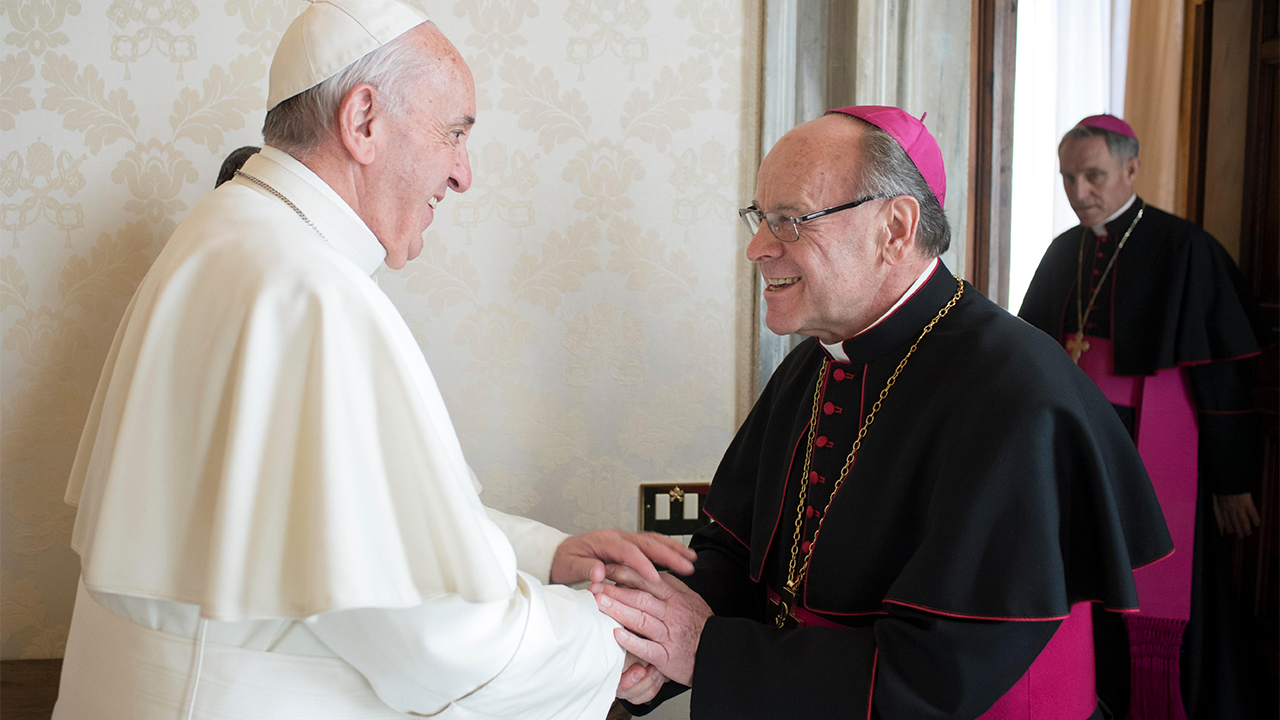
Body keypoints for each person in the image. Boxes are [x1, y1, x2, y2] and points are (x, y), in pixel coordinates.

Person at [52, 1, 685, 718]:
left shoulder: (229, 233)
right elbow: (441, 641)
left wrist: (541, 556)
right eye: (454, 134)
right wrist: (617, 635)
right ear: (362, 122)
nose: (464, 174)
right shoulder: (308, 293)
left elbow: (344, 521)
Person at [593, 106, 1174, 719]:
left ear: (895, 228)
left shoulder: (1018, 398)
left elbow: (937, 676)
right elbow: (735, 555)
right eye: (761, 219)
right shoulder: (816, 363)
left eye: (790, 221)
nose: (758, 248)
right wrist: (655, 646)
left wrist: (707, 653)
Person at [1018, 114, 1269, 719]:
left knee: (1162, 577)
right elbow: (1028, 353)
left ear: (1131, 169)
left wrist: (1234, 477)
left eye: (1094, 175)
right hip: (1079, 446)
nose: (1080, 192)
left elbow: (1222, 372)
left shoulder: (1186, 249)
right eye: (1068, 177)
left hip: (1153, 447)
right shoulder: (1063, 251)